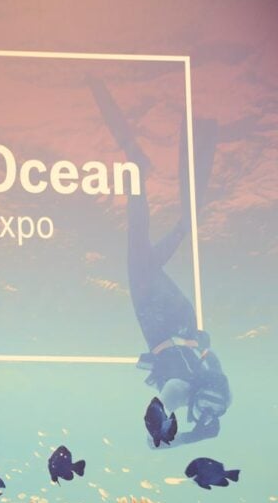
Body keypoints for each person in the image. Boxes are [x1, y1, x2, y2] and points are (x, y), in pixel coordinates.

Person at [88, 78, 231, 446]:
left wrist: (197, 434)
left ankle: (178, 221)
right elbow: (155, 419)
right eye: (207, 409)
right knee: (139, 256)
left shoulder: (206, 374)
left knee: (144, 260)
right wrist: (172, 439)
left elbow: (208, 351)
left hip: (180, 316)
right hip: (157, 314)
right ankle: (138, 167)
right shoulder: (181, 389)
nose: (203, 412)